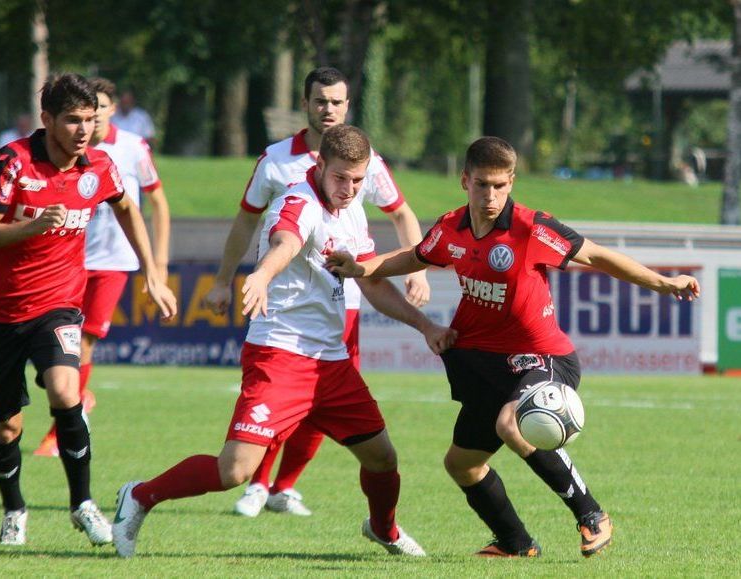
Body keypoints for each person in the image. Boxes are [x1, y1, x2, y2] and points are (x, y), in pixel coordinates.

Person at [325, 136, 701, 558]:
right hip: (485, 364)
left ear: (512, 182)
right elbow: (416, 256)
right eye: (482, 184)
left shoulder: (532, 228)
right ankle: (516, 543)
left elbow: (596, 256)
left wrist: (665, 283)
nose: (491, 195)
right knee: (461, 464)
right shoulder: (452, 228)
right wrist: (364, 266)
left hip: (545, 358)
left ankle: (592, 514)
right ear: (464, 180)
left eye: (500, 186)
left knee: (511, 422)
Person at [112, 124, 455, 559]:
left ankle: (384, 529)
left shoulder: (351, 210)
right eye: (340, 178)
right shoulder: (297, 202)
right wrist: (261, 274)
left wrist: (425, 325)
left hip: (330, 362)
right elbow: (285, 242)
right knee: (234, 470)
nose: (349, 189)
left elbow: (369, 282)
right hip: (280, 355)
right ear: (318, 165)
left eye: (358, 180)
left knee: (383, 458)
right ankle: (140, 496)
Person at [204, 66, 431, 518]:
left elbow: (401, 212)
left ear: (348, 106)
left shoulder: (366, 160)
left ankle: (284, 485)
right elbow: (250, 221)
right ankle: (259, 482)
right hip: (287, 300)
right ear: (305, 104)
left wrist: (417, 266)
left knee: (323, 400)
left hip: (346, 296)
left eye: (337, 102)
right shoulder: (275, 160)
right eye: (320, 101)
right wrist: (224, 279)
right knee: (289, 395)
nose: (328, 109)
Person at [0, 72, 177, 547]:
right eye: (72, 120)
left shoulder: (98, 166)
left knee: (66, 393)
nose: (84, 129)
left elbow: (128, 207)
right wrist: (33, 226)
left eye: (91, 119)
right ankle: (14, 509)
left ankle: (82, 503)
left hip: (59, 304)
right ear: (47, 120)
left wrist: (151, 271)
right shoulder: (12, 162)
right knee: (5, 427)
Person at [32, 77, 171, 457]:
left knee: (84, 341)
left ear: (108, 112)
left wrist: (156, 262)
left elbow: (156, 201)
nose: (95, 120)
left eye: (102, 110)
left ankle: (61, 428)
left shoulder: (131, 147)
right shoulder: (64, 151)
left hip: (114, 261)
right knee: (51, 347)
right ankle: (79, 397)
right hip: (69, 258)